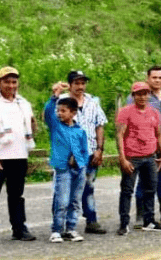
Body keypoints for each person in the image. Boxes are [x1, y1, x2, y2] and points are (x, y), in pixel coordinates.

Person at [0, 66, 37, 244]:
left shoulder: (23, 103)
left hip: (19, 155)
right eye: (7, 82)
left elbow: (31, 124)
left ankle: (19, 228)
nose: (11, 85)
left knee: (17, 195)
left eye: (14, 82)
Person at [54, 70, 109, 235]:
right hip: (67, 155)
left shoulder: (93, 102)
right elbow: (54, 124)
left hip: (89, 152)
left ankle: (91, 221)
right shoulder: (61, 101)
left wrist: (99, 149)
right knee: (63, 190)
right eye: (76, 83)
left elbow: (100, 125)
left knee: (88, 187)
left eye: (83, 83)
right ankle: (59, 225)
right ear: (70, 85)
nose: (80, 86)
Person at [114, 82, 161, 235]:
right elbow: (119, 135)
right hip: (132, 156)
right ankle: (124, 223)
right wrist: (123, 158)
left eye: (145, 94)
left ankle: (149, 220)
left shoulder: (154, 112)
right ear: (133, 96)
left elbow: (158, 134)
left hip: (150, 156)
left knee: (150, 189)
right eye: (139, 94)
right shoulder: (125, 112)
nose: (142, 97)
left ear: (149, 95)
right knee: (127, 190)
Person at [128, 66, 161, 226]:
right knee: (144, 180)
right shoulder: (139, 96)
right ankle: (141, 215)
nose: (157, 80)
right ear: (148, 78)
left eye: (160, 77)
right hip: (145, 145)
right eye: (154, 77)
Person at [43, 96, 89, 243]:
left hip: (78, 169)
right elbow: (48, 113)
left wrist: (81, 162)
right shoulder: (56, 127)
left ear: (73, 113)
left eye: (63, 111)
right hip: (63, 168)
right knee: (62, 200)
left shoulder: (80, 131)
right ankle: (57, 230)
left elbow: (84, 150)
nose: (59, 113)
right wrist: (53, 98)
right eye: (58, 110)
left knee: (75, 200)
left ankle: (71, 228)